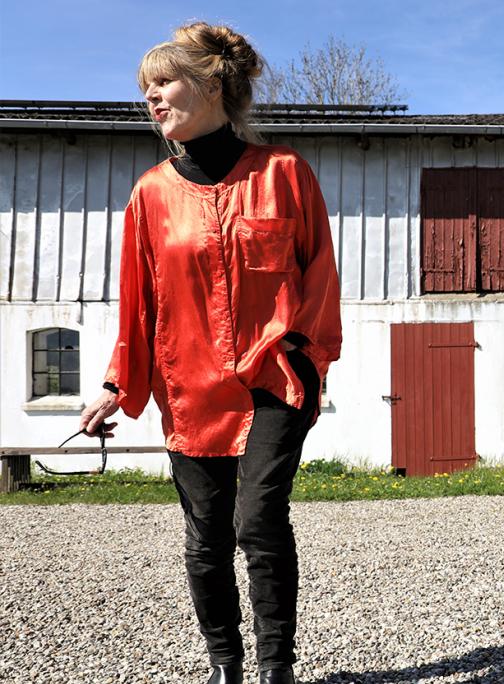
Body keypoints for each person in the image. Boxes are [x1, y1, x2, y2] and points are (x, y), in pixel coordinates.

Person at [79, 21, 342, 684]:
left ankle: (276, 668)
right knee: (206, 538)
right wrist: (119, 384)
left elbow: (319, 278)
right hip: (188, 389)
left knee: (258, 518)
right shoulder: (151, 194)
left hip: (273, 379)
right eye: (146, 88)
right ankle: (225, 665)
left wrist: (308, 361)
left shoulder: (285, 174)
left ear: (212, 83)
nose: (152, 98)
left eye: (163, 82)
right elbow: (137, 303)